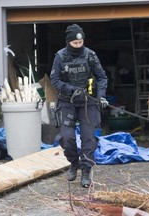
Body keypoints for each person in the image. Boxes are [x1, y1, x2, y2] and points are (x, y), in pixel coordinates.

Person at [50, 24, 108, 188]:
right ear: (68, 42)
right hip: (67, 102)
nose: (78, 45)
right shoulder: (60, 57)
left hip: (88, 102)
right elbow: (55, 81)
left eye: (80, 42)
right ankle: (74, 162)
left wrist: (101, 96)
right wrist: (71, 89)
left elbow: (102, 77)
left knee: (88, 137)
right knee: (67, 137)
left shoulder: (90, 56)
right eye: (75, 43)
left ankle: (85, 171)